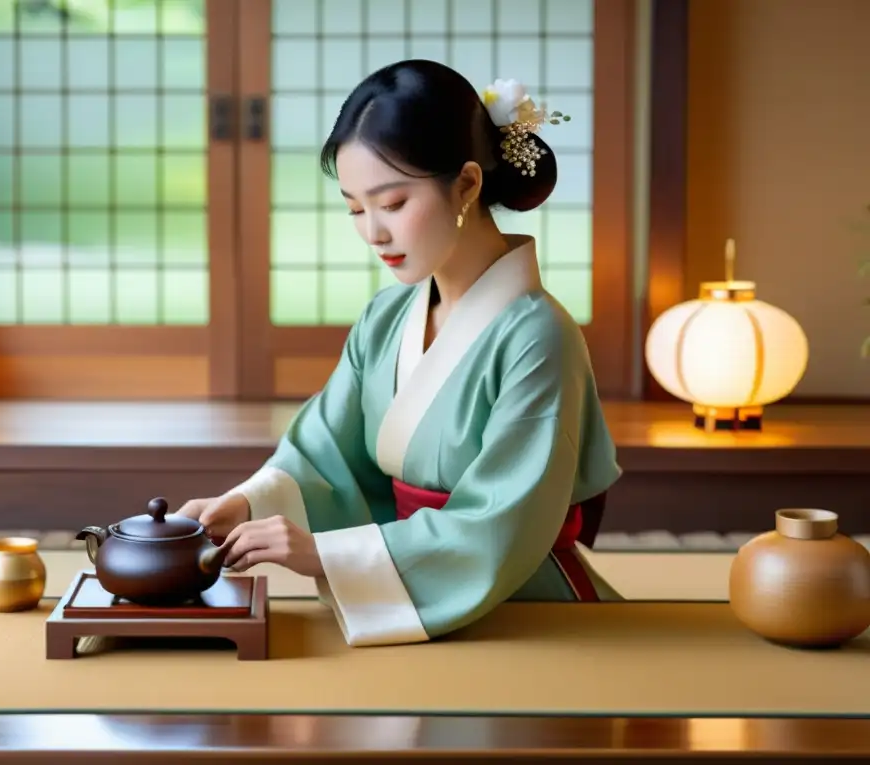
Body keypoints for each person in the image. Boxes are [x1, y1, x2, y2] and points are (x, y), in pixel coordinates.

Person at [176, 60, 622, 647]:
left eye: (391, 203)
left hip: (522, 612)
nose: (373, 234)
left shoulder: (539, 336)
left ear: (466, 184)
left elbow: (500, 526)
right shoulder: (385, 320)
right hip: (400, 597)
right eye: (356, 208)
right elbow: (323, 453)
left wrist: (320, 553)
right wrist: (243, 505)